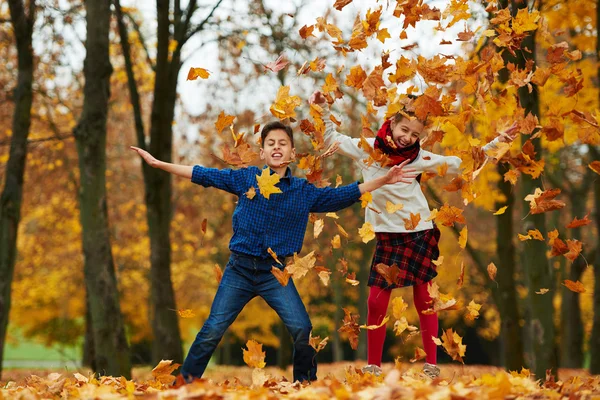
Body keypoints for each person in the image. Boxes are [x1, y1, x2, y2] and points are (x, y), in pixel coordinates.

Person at [131, 119, 417, 383]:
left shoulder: (304, 191)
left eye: (282, 143)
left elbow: (345, 195)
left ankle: (304, 384)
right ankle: (185, 383)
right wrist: (159, 164)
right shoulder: (247, 179)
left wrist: (383, 180)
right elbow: (204, 174)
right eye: (271, 144)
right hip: (239, 270)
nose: (277, 147)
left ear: (292, 153)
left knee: (302, 330)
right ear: (263, 152)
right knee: (211, 331)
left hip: (275, 273)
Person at [310, 90, 514, 379]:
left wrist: (498, 142)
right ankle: (374, 365)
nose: (408, 137)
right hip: (385, 236)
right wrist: (321, 106)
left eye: (414, 134)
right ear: (391, 123)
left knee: (425, 298)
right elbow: (332, 139)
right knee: (375, 299)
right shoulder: (367, 149)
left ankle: (431, 364)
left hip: (418, 232)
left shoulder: (420, 157)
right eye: (404, 129)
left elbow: (461, 163)